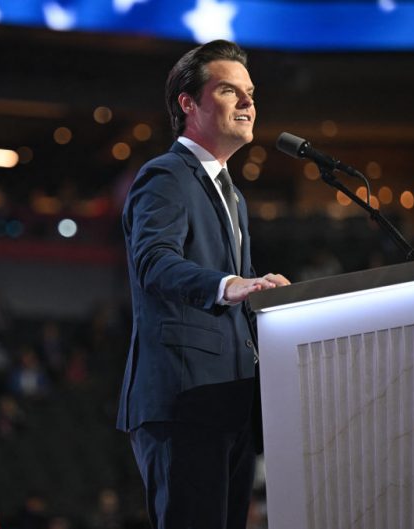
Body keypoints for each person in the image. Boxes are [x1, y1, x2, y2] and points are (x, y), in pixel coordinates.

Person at [117, 39, 290, 529]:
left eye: (250, 92)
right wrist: (231, 284)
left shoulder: (232, 195)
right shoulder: (167, 176)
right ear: (188, 104)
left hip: (228, 402)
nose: (248, 102)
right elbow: (153, 262)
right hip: (183, 399)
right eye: (229, 91)